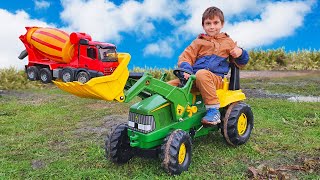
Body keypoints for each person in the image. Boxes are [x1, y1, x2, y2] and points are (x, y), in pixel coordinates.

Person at [168, 6, 249, 125]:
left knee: (202, 74)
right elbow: (186, 57)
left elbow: (242, 62)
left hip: (215, 80)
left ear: (222, 24)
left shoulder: (228, 42)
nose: (212, 26)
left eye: (216, 23)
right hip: (193, 79)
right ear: (203, 25)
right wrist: (186, 70)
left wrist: (240, 52)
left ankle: (213, 110)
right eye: (208, 23)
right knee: (167, 87)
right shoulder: (198, 42)